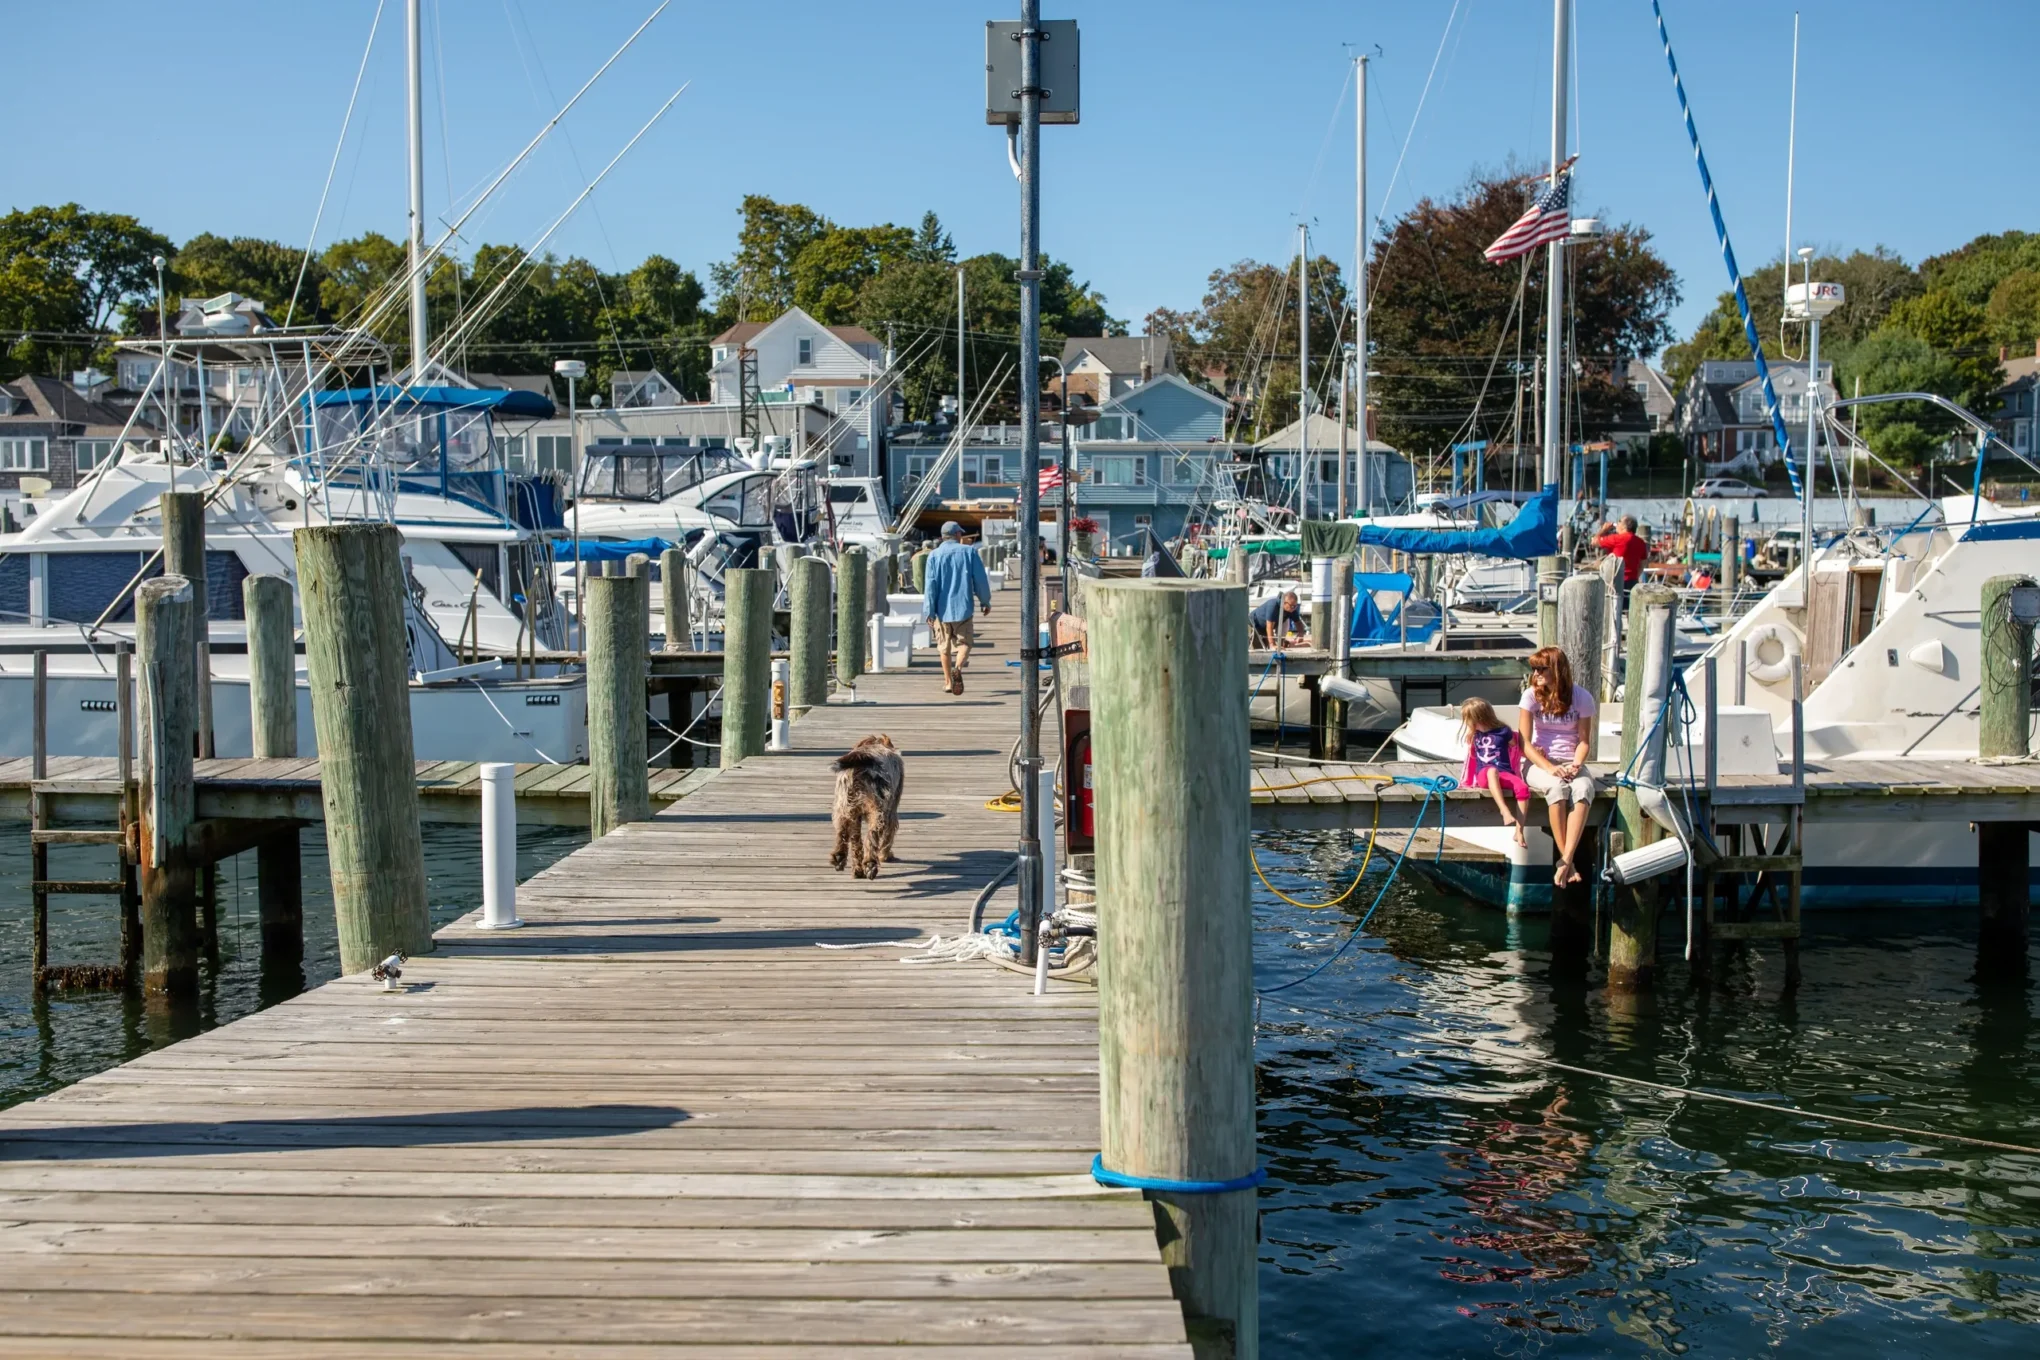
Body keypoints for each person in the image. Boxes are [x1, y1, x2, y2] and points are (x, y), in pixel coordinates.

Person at [1517, 646, 1599, 887]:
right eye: (1534, 669)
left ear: (1556, 670)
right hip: (1539, 762)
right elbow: (1524, 742)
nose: (1536, 674)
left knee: (1583, 789)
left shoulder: (1582, 697)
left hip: (1569, 761)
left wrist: (1576, 764)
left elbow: (1584, 741)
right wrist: (1549, 767)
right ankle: (1569, 864)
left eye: (1541, 668)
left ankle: (1565, 858)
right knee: (1557, 789)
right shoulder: (1531, 696)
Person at [921, 521, 992, 696]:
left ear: (942, 537)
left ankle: (947, 682)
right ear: (958, 535)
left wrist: (929, 611)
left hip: (941, 610)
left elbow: (930, 586)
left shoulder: (934, 556)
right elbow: (980, 580)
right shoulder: (969, 552)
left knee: (943, 648)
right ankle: (958, 668)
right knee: (965, 643)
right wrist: (985, 601)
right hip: (963, 608)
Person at [1461, 696, 1532, 847]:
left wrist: (1533, 751)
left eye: (1469, 718)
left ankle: (1519, 831)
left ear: (1479, 718)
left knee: (1523, 788)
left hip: (1504, 772)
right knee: (1491, 770)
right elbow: (1472, 757)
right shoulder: (1475, 735)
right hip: (1484, 776)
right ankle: (1504, 810)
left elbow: (1515, 746)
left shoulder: (1503, 731)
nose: (1467, 722)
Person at [1596, 515, 1648, 597]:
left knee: (1612, 607)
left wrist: (1604, 529)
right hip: (1632, 582)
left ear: (1624, 526)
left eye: (1619, 521)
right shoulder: (1641, 542)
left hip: (1615, 582)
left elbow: (1594, 541)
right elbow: (1642, 564)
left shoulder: (1617, 539)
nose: (1617, 523)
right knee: (1627, 608)